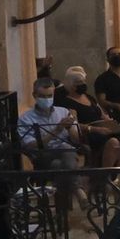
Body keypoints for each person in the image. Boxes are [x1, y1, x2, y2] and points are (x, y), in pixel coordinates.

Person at [17, 78, 82, 212]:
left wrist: (72, 125)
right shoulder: (26, 119)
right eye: (42, 96)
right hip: (43, 155)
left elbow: (76, 140)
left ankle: (61, 214)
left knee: (60, 164)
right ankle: (77, 190)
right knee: (66, 149)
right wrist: (57, 129)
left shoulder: (63, 112)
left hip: (63, 156)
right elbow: (31, 146)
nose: (46, 99)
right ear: (34, 95)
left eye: (49, 96)